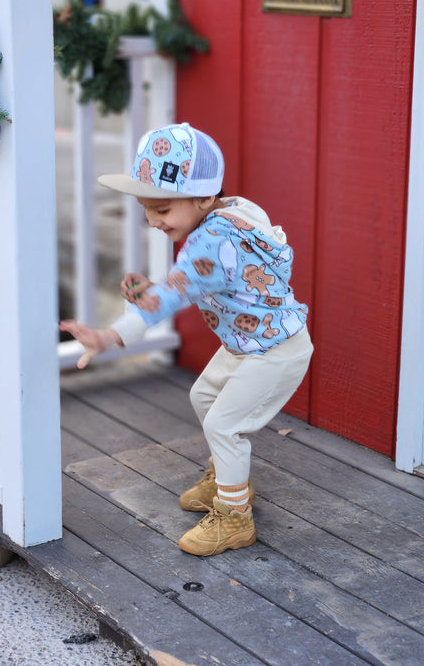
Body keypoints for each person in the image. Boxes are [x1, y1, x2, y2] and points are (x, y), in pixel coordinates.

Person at [60, 122, 313, 556]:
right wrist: (154, 289)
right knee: (204, 398)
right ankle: (229, 477)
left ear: (202, 198)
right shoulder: (229, 212)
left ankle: (235, 519)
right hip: (247, 345)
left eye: (161, 210)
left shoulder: (214, 240)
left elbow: (178, 289)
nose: (153, 222)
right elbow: (193, 278)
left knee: (224, 423)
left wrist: (110, 335)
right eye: (147, 210)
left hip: (274, 352)